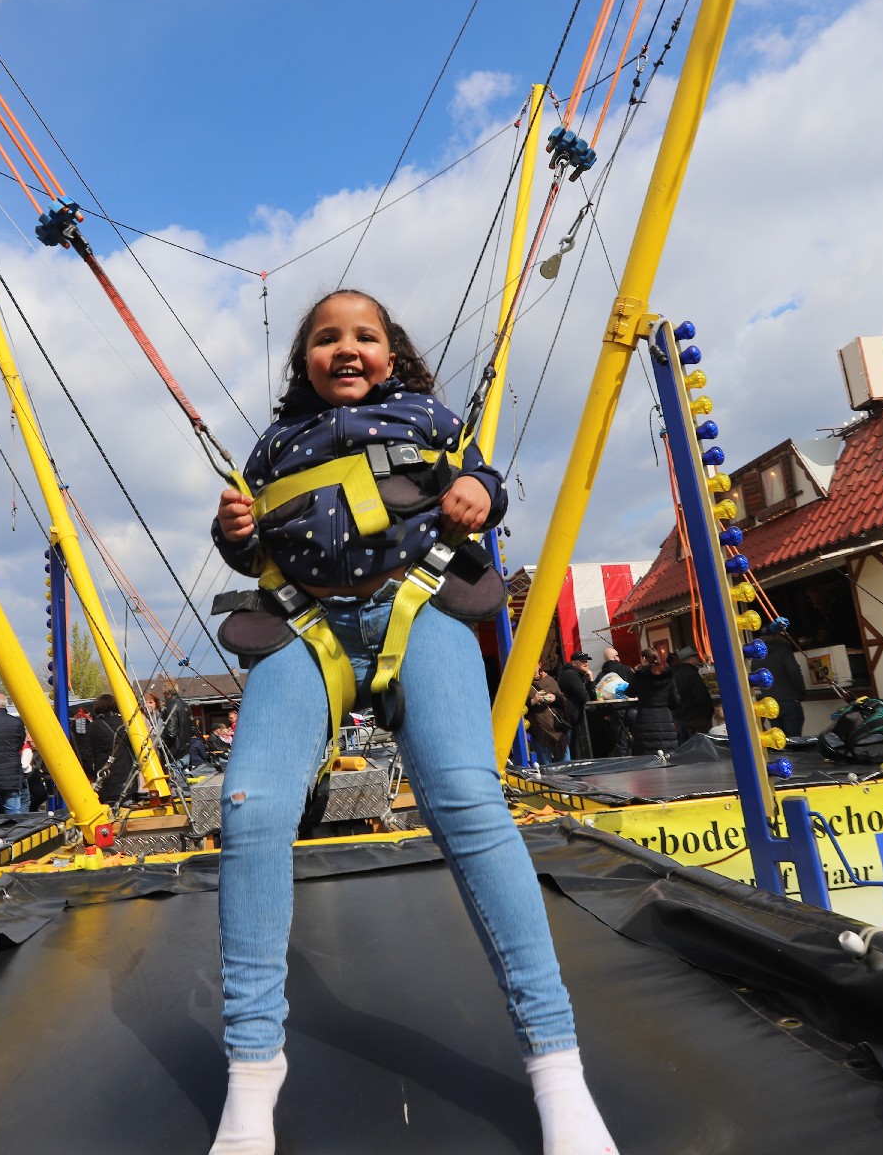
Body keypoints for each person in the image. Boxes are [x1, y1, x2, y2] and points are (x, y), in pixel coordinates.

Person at [208, 289, 618, 1155]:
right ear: (304, 361)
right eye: (326, 338)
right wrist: (233, 531)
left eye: (364, 336)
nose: (346, 348)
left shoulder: (430, 419)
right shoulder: (275, 444)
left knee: (467, 799)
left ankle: (556, 1065)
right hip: (307, 628)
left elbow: (485, 482)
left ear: (391, 353)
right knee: (250, 808)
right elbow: (254, 548)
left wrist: (473, 488)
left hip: (417, 605)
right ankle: (252, 1070)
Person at [624, 647, 680, 753]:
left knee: (647, 752)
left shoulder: (640, 675)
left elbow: (630, 692)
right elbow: (675, 700)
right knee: (667, 753)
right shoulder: (668, 675)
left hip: (645, 717)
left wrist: (635, 673)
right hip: (665, 718)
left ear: (644, 659)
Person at [762, 623, 809, 739]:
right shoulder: (784, 651)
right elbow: (794, 671)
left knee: (778, 740)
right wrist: (801, 691)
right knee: (794, 740)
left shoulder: (757, 656)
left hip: (770, 703)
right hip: (789, 700)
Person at [556, 650, 594, 762]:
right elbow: (585, 697)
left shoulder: (581, 675)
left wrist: (591, 680)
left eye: (586, 661)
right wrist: (589, 687)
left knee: (574, 747)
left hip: (575, 716)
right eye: (582, 661)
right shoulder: (570, 675)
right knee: (571, 748)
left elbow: (593, 697)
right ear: (573, 663)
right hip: (568, 718)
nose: (585, 663)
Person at [525, 664, 569, 763]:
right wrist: (533, 701)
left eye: (534, 665)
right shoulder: (522, 685)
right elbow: (519, 707)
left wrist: (555, 698)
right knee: (545, 764)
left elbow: (563, 700)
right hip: (539, 731)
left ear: (539, 665)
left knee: (565, 762)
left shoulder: (549, 680)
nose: (532, 669)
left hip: (557, 727)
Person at [670, 646, 715, 740]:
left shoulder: (675, 675)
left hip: (682, 717)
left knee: (688, 744)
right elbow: (701, 696)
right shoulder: (692, 674)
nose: (698, 658)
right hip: (697, 717)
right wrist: (708, 712)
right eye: (695, 656)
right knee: (703, 743)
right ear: (689, 660)